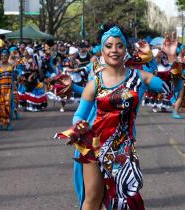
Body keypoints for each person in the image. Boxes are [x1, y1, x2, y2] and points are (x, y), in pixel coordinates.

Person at [55, 24, 170, 210]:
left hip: (123, 149)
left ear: (126, 49)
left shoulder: (140, 77)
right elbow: (79, 115)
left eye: (119, 45)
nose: (114, 50)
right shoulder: (95, 82)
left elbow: (169, 86)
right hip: (93, 145)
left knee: (126, 200)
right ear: (102, 50)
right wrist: (79, 126)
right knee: (92, 199)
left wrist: (164, 56)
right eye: (108, 46)